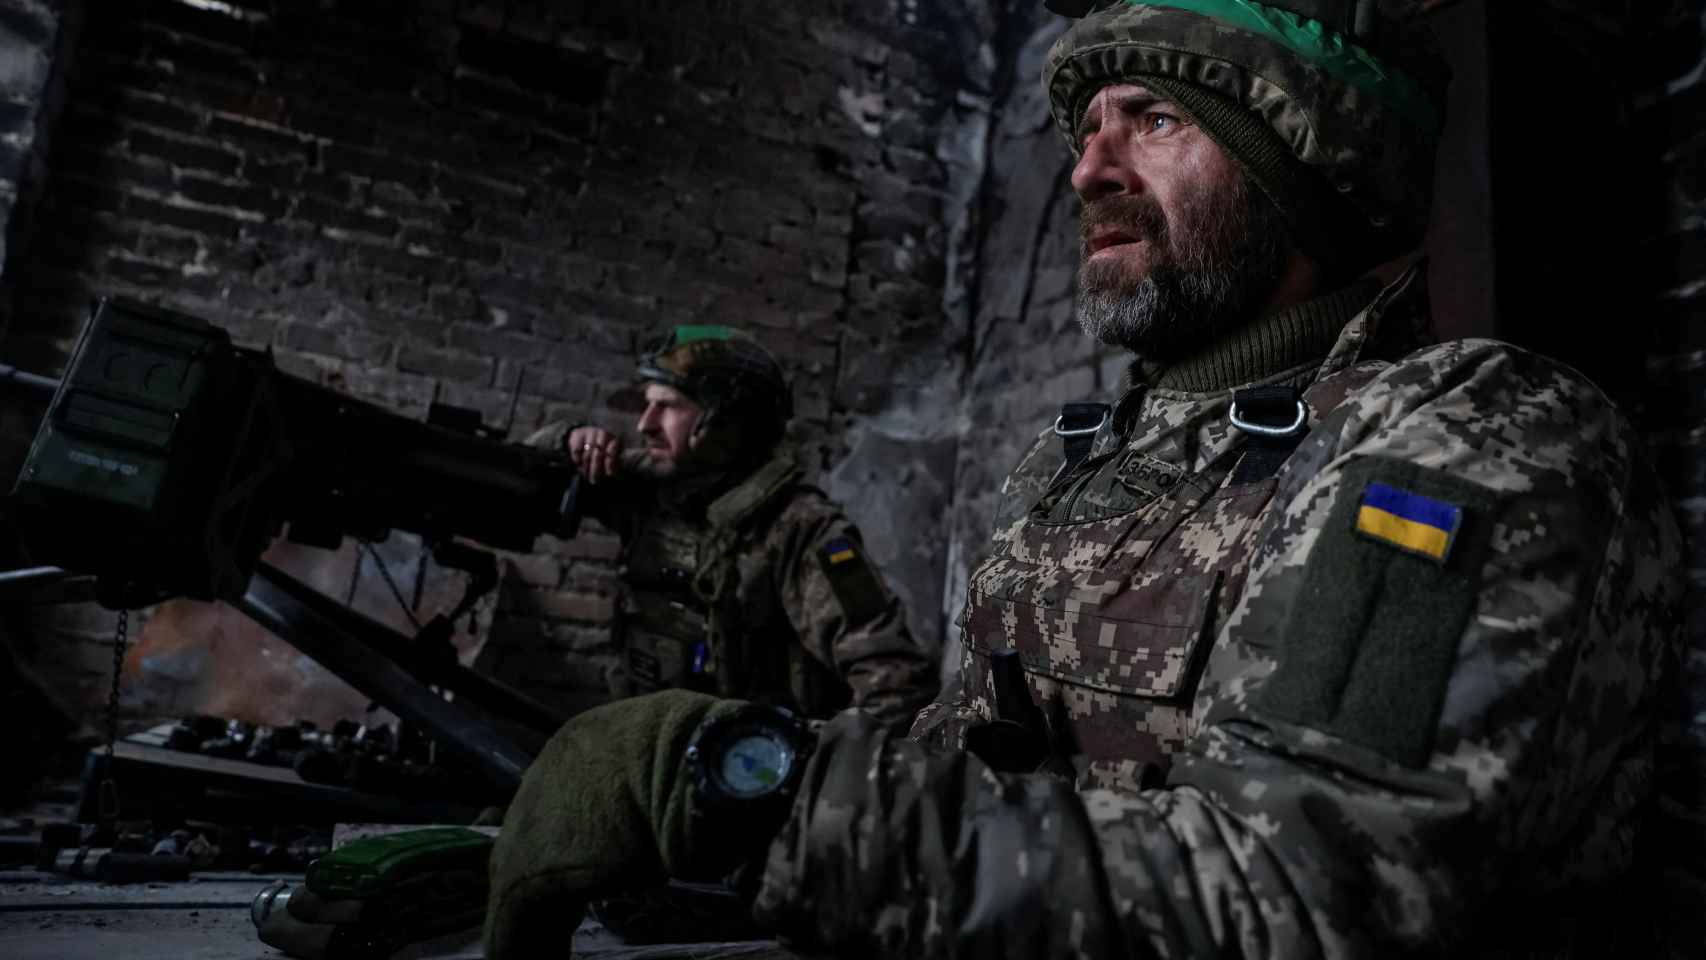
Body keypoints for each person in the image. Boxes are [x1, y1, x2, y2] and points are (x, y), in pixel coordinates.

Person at [484, 2, 1692, 957]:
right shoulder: (1085, 458)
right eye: (1086, 130)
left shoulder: (1471, 432)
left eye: (1153, 119)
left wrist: (752, 797)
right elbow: (972, 760)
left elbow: (1304, 900)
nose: (1088, 171)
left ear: (1301, 156)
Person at [526, 324, 938, 730]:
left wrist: (802, 767)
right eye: (648, 404)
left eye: (667, 406)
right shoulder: (652, 483)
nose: (644, 424)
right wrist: (568, 440)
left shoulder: (802, 529)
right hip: (644, 743)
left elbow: (897, 683)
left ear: (726, 417)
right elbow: (521, 482)